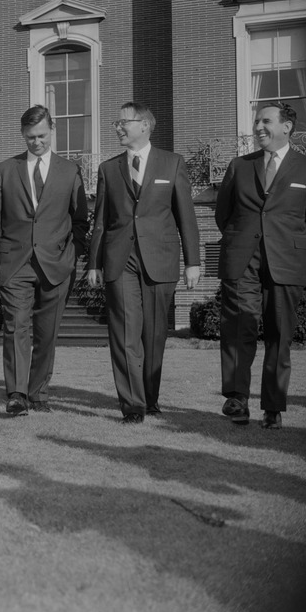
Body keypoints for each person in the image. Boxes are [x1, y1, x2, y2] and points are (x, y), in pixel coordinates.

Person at [87, 102, 201, 424]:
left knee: (153, 335)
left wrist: (193, 261)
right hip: (119, 259)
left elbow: (186, 216)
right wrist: (94, 262)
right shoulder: (108, 169)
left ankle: (150, 399)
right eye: (117, 123)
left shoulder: (172, 163)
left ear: (145, 125)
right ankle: (133, 406)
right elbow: (101, 221)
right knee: (125, 333)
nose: (118, 128)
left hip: (160, 259)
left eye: (124, 123)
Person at [216, 101, 306, 430]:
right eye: (256, 121)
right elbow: (224, 214)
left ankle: (273, 408)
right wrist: (241, 238)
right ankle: (237, 399)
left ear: (286, 127)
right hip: (242, 259)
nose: (258, 127)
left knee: (279, 335)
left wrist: (286, 242)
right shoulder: (239, 166)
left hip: (286, 262)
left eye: (265, 121)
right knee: (238, 328)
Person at [0, 105, 89, 416]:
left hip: (57, 265)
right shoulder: (5, 170)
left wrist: (72, 254)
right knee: (16, 326)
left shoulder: (70, 171)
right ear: (22, 135)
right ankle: (16, 395)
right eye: (30, 137)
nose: (36, 142)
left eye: (41, 136)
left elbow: (80, 220)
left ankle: (38, 394)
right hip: (14, 263)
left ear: (51, 131)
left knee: (47, 333)